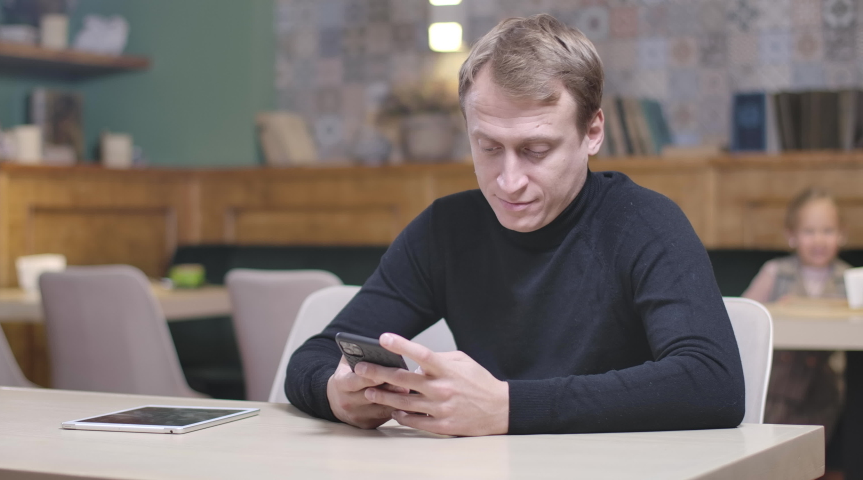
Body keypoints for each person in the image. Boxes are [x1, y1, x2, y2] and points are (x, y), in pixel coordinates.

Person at [285, 14, 744, 436]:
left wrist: (506, 407)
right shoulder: (446, 229)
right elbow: (312, 358)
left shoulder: (645, 222)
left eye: (536, 150)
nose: (508, 181)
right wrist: (337, 394)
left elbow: (711, 382)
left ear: (592, 133)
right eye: (487, 147)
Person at [743, 188, 850, 439]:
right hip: (777, 383)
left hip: (825, 384)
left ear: (842, 235)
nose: (819, 240)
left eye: (828, 231)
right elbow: (747, 317)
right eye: (809, 232)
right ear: (791, 236)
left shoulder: (848, 280)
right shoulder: (775, 273)